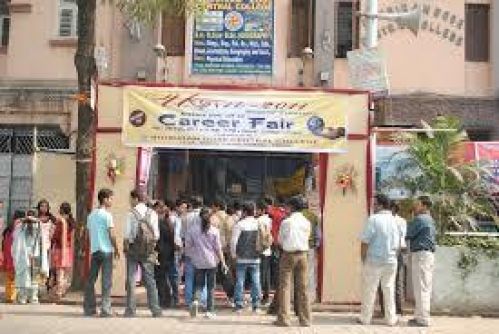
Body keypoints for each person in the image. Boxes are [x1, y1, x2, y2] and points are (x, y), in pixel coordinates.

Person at [358, 194, 402, 326]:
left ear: (381, 205)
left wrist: (363, 258)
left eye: (375, 204)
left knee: (369, 290)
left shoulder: (373, 219)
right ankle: (391, 319)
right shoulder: (396, 221)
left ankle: (365, 318)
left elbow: (365, 241)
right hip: (391, 259)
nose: (373, 206)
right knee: (389, 289)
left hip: (374, 260)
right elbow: (399, 243)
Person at [124, 189, 162, 318]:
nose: (130, 201)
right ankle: (155, 310)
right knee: (150, 280)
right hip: (148, 251)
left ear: (135, 199)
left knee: (131, 279)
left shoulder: (131, 214)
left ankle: (130, 310)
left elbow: (127, 235)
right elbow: (156, 235)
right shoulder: (152, 213)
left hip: (133, 250)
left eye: (131, 199)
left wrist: (126, 247)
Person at [274, 196, 311, 327]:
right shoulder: (307, 222)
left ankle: (284, 318)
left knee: (285, 287)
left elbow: (280, 240)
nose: (286, 208)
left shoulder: (287, 222)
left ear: (293, 207)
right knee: (303, 288)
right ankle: (305, 319)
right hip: (303, 255)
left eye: (288, 206)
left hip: (288, 254)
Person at [186, 207, 228, 319]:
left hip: (198, 261)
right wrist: (223, 262)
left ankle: (195, 301)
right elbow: (218, 249)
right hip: (212, 262)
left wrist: (193, 256)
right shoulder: (214, 231)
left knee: (199, 285)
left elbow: (188, 246)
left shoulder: (192, 230)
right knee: (210, 287)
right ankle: (210, 311)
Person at [84, 188, 120, 317]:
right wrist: (116, 249)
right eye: (110, 198)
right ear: (104, 199)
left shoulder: (91, 215)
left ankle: (89, 308)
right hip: (106, 251)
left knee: (90, 281)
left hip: (95, 251)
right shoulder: (107, 215)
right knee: (106, 282)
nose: (111, 201)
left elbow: (87, 235)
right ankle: (106, 309)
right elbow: (112, 235)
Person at [406, 196, 436, 328]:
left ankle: (423, 319)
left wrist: (410, 218)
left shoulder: (420, 219)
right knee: (422, 287)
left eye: (417, 204)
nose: (415, 206)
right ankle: (419, 317)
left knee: (421, 288)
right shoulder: (429, 219)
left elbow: (408, 233)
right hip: (426, 255)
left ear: (424, 206)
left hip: (421, 255)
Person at [12, 210, 49, 304]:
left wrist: (31, 220)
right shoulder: (23, 227)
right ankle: (28, 297)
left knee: (30, 277)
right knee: (28, 277)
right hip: (29, 255)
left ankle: (29, 297)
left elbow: (43, 241)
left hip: (30, 255)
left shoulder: (32, 226)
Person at [378, 201, 407, 317]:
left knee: (386, 283)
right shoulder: (402, 221)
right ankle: (397, 310)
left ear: (393, 209)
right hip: (397, 253)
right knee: (396, 282)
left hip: (389, 253)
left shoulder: (391, 221)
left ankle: (386, 310)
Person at [231, 202, 261, 313]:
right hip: (255, 256)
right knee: (256, 281)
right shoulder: (258, 223)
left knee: (240, 281)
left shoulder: (239, 224)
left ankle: (239, 304)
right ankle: (256, 305)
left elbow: (234, 241)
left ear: (244, 212)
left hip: (241, 257)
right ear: (254, 211)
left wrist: (234, 254)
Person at [264, 195, 287, 315]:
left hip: (274, 243)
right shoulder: (286, 215)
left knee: (273, 270)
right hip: (283, 247)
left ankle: (273, 302)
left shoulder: (272, 212)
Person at [210, 198, 235, 305]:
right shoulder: (230, 219)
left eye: (213, 206)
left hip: (213, 250)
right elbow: (232, 236)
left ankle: (208, 299)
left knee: (211, 273)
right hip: (225, 249)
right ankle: (231, 295)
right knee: (225, 272)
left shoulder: (212, 218)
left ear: (217, 207)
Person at [183, 195, 206, 307]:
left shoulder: (186, 217)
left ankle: (188, 301)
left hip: (189, 250)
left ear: (191, 204)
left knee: (189, 277)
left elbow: (182, 234)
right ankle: (202, 300)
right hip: (202, 251)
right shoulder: (205, 216)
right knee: (203, 277)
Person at [50, 202, 75, 301]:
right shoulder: (72, 222)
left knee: (59, 271)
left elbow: (55, 236)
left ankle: (59, 293)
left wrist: (51, 238)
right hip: (68, 249)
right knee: (66, 272)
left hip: (60, 249)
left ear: (61, 210)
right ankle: (63, 290)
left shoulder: (60, 221)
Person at [154, 201, 175, 308]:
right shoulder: (169, 223)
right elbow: (172, 240)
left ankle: (163, 300)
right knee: (164, 277)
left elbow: (156, 239)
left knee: (160, 277)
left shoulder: (159, 222)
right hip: (167, 254)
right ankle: (167, 299)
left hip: (160, 253)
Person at [1, 210, 25, 303]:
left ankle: (9, 295)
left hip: (8, 254)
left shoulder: (9, 227)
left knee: (9, 277)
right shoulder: (19, 225)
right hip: (15, 254)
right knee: (14, 277)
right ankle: (12, 296)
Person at [37, 199, 55, 295]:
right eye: (41, 206)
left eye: (45, 206)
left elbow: (53, 232)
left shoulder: (51, 219)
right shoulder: (35, 218)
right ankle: (38, 287)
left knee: (48, 266)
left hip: (48, 246)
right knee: (38, 266)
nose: (43, 208)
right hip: (37, 246)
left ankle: (48, 285)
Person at [256, 199, 272, 305]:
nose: (255, 211)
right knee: (266, 274)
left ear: (261, 210)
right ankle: (266, 295)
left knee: (260, 274)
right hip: (267, 249)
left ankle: (260, 296)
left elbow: (260, 235)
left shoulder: (259, 221)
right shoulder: (269, 220)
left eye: (257, 209)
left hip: (261, 250)